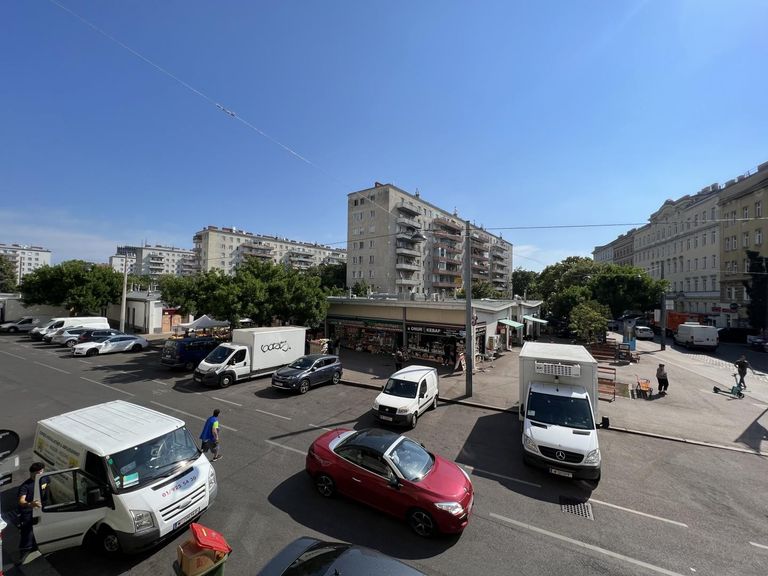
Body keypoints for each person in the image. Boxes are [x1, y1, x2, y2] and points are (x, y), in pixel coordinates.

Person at [17, 462, 45, 564]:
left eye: (42, 471)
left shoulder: (44, 479)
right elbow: (21, 501)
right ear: (32, 473)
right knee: (27, 532)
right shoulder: (25, 486)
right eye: (39, 472)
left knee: (39, 528)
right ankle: (24, 552)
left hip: (40, 510)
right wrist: (30, 504)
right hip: (28, 512)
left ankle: (36, 546)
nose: (41, 474)